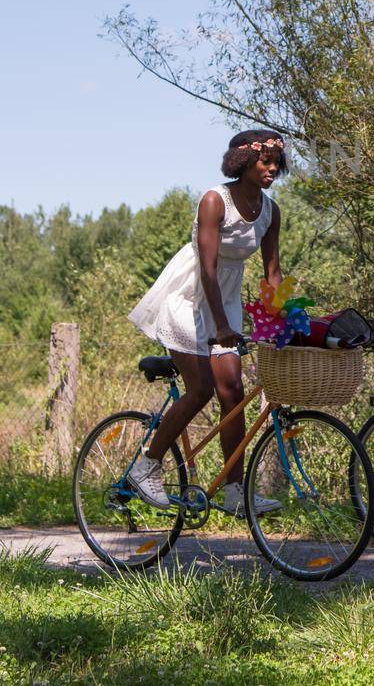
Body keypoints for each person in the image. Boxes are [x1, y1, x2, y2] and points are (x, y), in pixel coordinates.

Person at [124, 129, 287, 515]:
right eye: (265, 161)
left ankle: (235, 493)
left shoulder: (270, 211)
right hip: (191, 295)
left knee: (232, 392)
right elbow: (208, 269)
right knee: (200, 389)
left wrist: (280, 320)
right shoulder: (215, 200)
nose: (272, 169)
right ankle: (146, 467)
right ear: (244, 162)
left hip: (225, 300)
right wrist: (219, 328)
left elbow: (273, 271)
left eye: (277, 163)